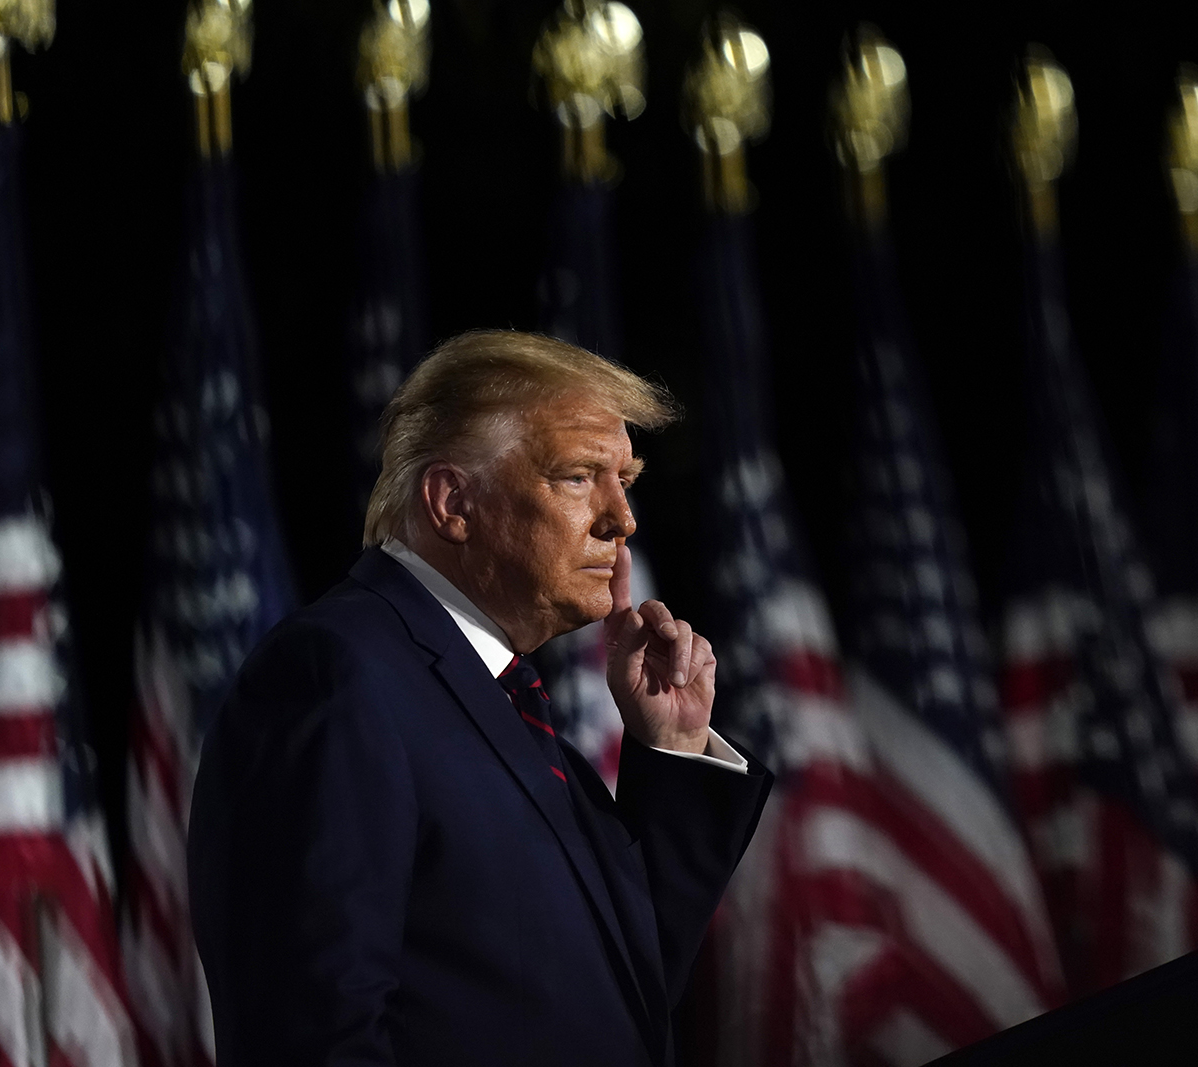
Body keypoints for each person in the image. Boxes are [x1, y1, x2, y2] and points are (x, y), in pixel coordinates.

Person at [188, 330, 773, 1066]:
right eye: (579, 476)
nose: (622, 520)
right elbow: (315, 1039)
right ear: (453, 502)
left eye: (627, 479)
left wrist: (671, 747)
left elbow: (615, 990)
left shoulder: (502, 702)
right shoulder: (335, 676)